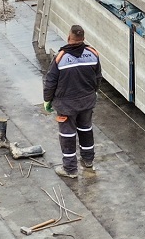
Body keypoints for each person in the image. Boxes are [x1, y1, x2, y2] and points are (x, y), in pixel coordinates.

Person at [43, 24, 102, 179]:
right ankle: (88, 160)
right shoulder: (93, 54)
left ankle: (70, 169)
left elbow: (50, 82)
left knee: (67, 134)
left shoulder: (61, 58)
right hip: (87, 102)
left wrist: (47, 100)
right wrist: (91, 93)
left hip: (66, 105)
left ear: (69, 38)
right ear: (83, 38)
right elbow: (97, 79)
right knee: (86, 129)